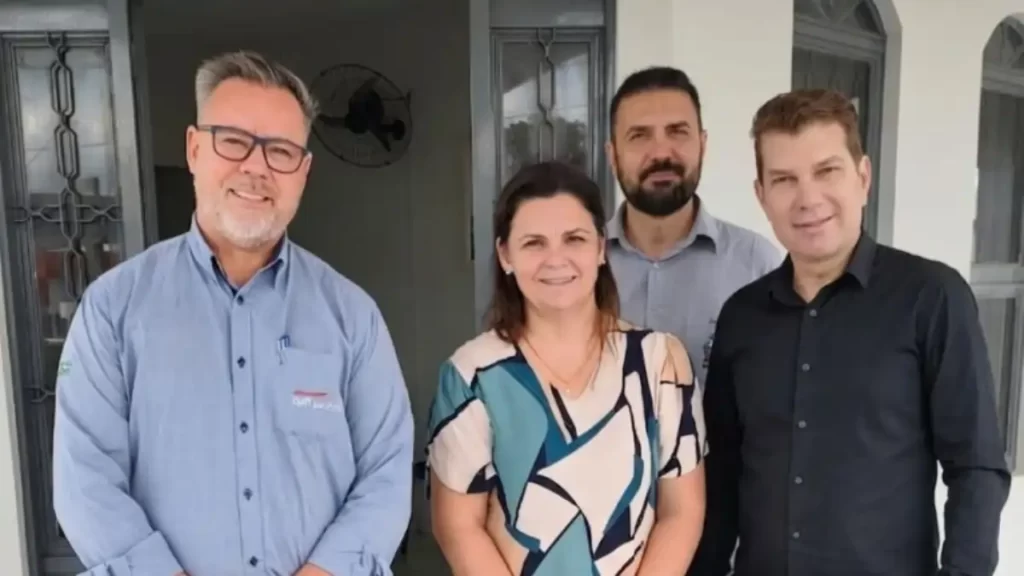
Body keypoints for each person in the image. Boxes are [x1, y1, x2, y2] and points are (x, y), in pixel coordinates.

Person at [52, 50, 414, 576]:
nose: (256, 166)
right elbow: (86, 481)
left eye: (280, 151)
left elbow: (386, 472)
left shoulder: (352, 317)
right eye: (233, 140)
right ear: (194, 149)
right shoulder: (113, 310)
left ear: (303, 172)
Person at [689, 88, 1011, 576]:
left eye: (827, 171)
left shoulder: (931, 298)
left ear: (863, 177)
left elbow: (976, 467)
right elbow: (724, 475)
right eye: (784, 179)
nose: (808, 198)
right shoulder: (741, 317)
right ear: (762, 195)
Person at [425, 161, 706, 575]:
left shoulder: (660, 361)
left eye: (574, 239)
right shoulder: (471, 376)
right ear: (505, 255)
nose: (555, 259)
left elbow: (682, 511)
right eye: (533, 243)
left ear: (600, 248)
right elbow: (457, 526)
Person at [605, 66, 781, 385]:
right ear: (612, 155)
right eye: (639, 135)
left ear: (702, 144)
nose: (661, 153)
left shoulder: (758, 265)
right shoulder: (576, 265)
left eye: (677, 132)